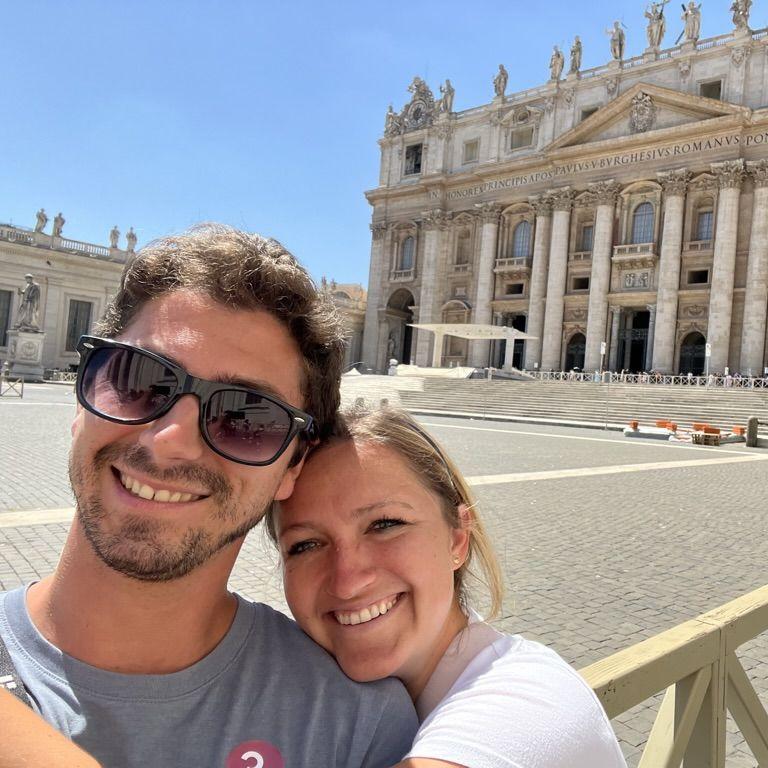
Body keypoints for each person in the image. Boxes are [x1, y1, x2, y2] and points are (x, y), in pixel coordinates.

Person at [0, 225, 417, 767]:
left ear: (293, 464)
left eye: (246, 416)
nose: (170, 441)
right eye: (139, 381)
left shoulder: (359, 729)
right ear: (83, 400)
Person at [269, 406, 628, 768]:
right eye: (305, 545)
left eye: (385, 524)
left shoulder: (531, 697)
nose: (347, 582)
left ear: (457, 539)